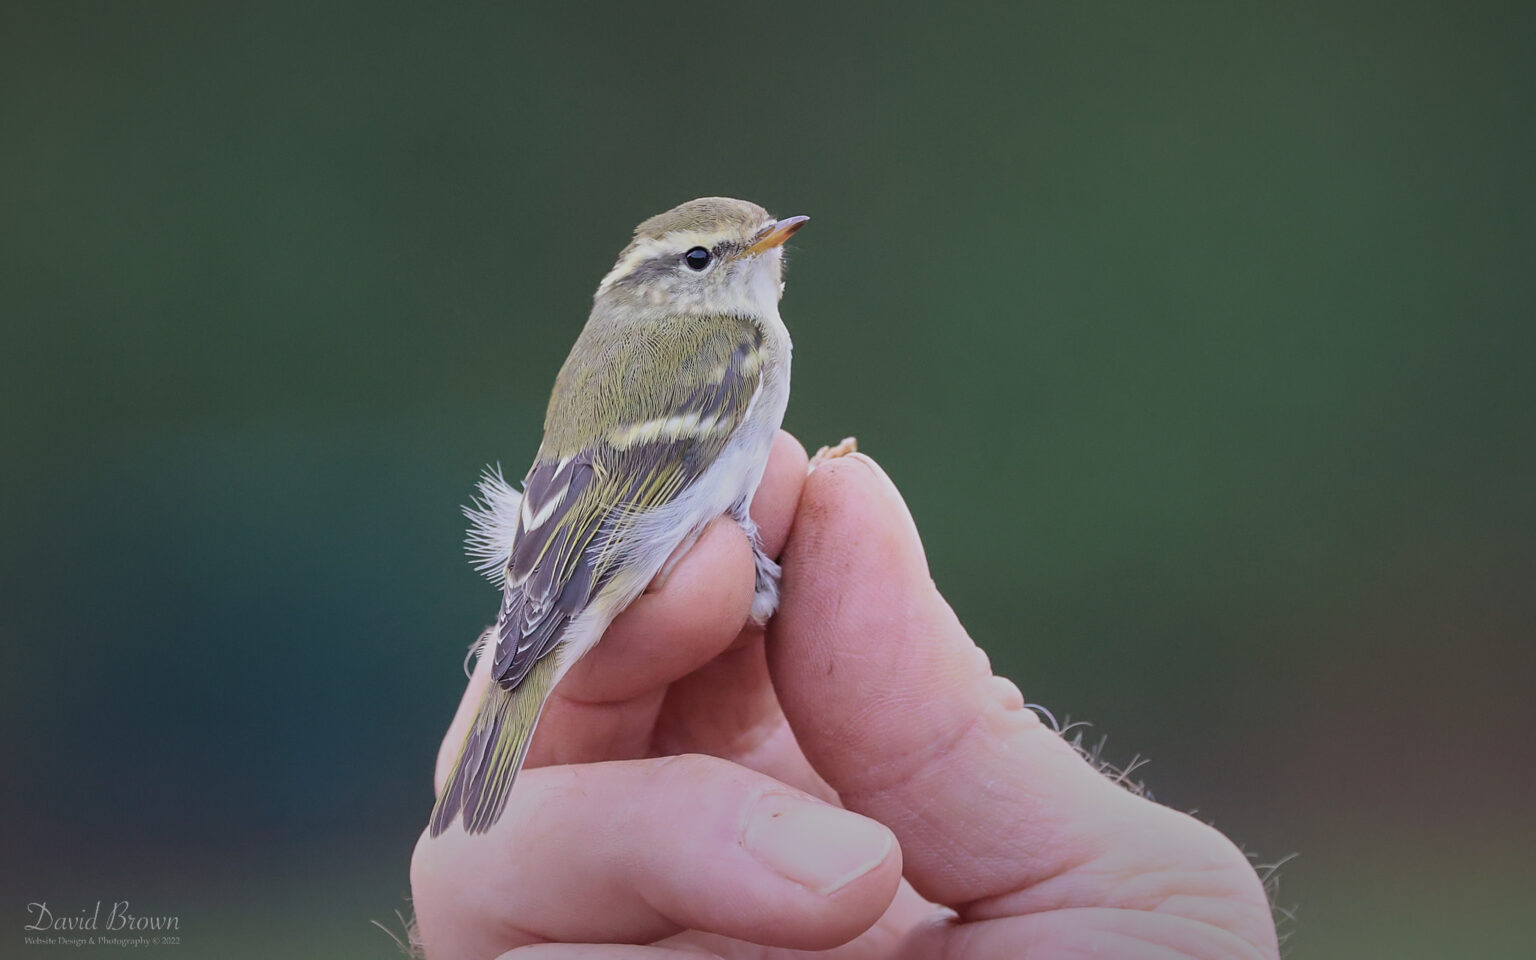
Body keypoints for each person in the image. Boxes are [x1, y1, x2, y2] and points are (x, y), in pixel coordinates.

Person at [410, 433, 1282, 959]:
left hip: (576, 567)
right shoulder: (732, 348)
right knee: (712, 574)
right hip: (620, 567)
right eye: (711, 256)